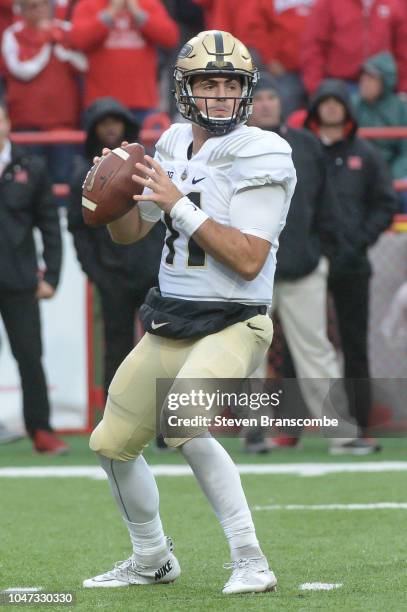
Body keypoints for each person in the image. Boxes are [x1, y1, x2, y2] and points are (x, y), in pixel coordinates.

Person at [82, 30, 296, 594]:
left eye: (231, 85)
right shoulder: (174, 142)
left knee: (183, 421)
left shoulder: (265, 150)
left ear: (246, 93)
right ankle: (152, 558)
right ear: (185, 90)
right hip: (173, 317)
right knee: (110, 443)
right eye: (209, 83)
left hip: (235, 318)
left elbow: (249, 259)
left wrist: (177, 205)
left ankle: (251, 559)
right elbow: (133, 234)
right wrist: (112, 197)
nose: (221, 95)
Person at [246, 76, 372, 454]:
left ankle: (341, 433)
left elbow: (327, 204)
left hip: (303, 265)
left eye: (271, 96)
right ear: (248, 106)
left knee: (316, 351)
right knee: (248, 353)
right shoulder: (232, 147)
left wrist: (327, 253)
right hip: (250, 270)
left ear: (281, 102)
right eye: (259, 98)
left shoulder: (304, 144)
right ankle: (254, 432)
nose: (266, 104)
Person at [304, 79, 398, 439]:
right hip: (310, 262)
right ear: (315, 109)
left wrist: (360, 240)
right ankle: (297, 424)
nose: (330, 108)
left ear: (347, 108)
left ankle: (359, 424)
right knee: (303, 343)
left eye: (336, 102)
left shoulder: (367, 154)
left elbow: (386, 204)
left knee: (354, 345)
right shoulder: (305, 152)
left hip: (353, 262)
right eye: (324, 102)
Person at [68, 96, 164, 397]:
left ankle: (164, 424)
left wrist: (159, 267)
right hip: (113, 277)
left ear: (126, 125)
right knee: (116, 349)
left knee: (162, 348)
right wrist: (98, 275)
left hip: (151, 274)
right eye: (103, 123)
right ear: (93, 130)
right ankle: (115, 419)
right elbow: (78, 230)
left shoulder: (149, 168)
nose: (110, 128)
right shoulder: (82, 176)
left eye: (115, 121)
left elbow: (162, 217)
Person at [0, 101, 68, 454]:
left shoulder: (32, 166)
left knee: (29, 355)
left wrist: (52, 276)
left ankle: (40, 430)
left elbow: (49, 226)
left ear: (8, 122)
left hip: (19, 280)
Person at [1, 0, 87, 184]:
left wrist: (62, 48)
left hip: (63, 122)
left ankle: (63, 213)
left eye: (42, 5)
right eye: (32, 6)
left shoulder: (66, 29)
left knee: (63, 178)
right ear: (22, 10)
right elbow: (21, 70)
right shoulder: (13, 34)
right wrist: (46, 44)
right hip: (27, 124)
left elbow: (84, 64)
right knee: (29, 180)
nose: (38, 10)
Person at [70, 0, 179, 125]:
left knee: (143, 145)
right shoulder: (88, 5)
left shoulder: (148, 4)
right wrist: (111, 12)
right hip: (101, 105)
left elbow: (171, 37)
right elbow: (78, 40)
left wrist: (138, 14)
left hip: (143, 103)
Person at [301, 0, 407, 96]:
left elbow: (403, 49)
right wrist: (315, 87)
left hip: (383, 88)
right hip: (341, 86)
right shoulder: (328, 3)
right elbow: (314, 46)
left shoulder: (396, 3)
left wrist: (403, 90)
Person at [353, 51, 407, 213]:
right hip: (356, 171)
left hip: (392, 172)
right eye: (363, 77)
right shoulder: (351, 105)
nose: (364, 82)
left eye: (371, 78)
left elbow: (405, 152)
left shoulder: (400, 108)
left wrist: (392, 176)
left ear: (386, 81)